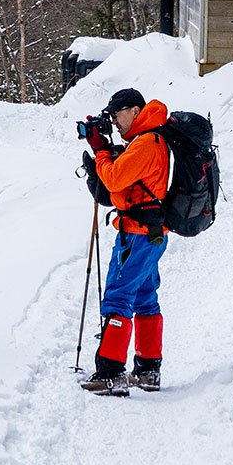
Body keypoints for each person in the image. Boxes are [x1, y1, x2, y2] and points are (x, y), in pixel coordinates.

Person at [79, 87, 169, 395]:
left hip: (137, 234)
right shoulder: (149, 139)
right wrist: (107, 148)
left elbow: (115, 179)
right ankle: (148, 370)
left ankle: (111, 373)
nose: (115, 123)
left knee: (118, 297)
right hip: (150, 233)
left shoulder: (146, 143)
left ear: (134, 111)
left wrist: (101, 152)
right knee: (145, 297)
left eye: (117, 116)